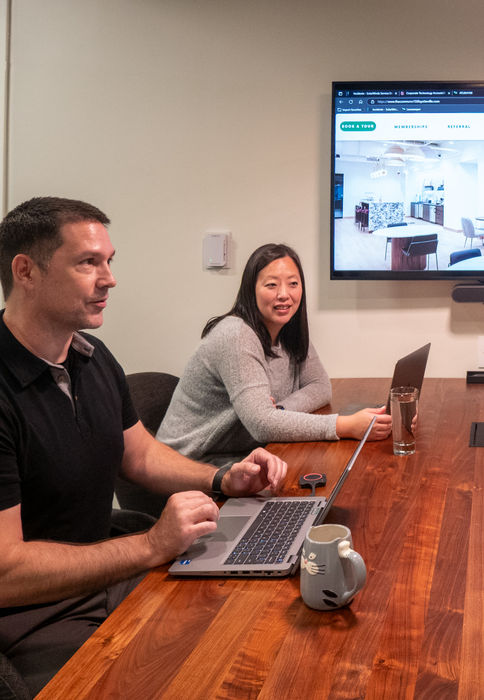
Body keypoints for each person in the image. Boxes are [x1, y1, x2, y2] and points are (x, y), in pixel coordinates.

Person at [0, 197, 287, 696]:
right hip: (36, 614)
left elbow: (139, 454)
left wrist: (223, 477)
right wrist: (150, 546)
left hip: (110, 571)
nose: (108, 278)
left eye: (109, 262)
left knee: (253, 628)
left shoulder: (90, 355)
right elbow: (5, 571)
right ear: (25, 271)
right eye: (88, 262)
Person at [157, 243, 392, 465]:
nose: (284, 294)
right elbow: (262, 425)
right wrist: (344, 425)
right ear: (251, 290)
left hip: (244, 453)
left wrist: (278, 412)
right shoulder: (236, 335)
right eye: (271, 285)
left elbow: (320, 386)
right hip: (193, 464)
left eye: (293, 283)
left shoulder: (288, 329)